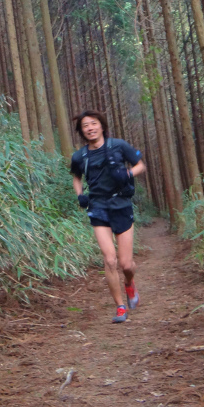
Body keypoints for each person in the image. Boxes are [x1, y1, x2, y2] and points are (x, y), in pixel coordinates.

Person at [70, 110, 146, 323]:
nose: (90, 128)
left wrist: (127, 173)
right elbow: (76, 178)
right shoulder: (79, 156)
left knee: (126, 264)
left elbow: (141, 165)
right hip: (98, 207)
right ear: (81, 131)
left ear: (102, 126)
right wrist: (80, 195)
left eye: (93, 124)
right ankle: (120, 307)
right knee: (110, 260)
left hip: (121, 204)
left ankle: (129, 283)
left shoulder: (119, 146)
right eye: (85, 126)